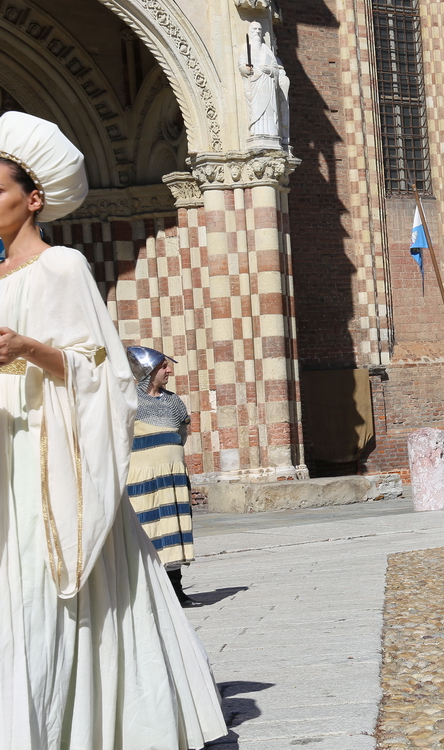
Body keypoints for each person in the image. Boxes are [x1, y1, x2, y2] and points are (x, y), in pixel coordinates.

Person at [0, 111, 226, 747]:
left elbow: (106, 375)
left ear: (33, 198)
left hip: (55, 460)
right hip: (5, 456)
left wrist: (27, 348)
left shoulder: (64, 266)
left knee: (48, 605)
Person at [126, 345, 200, 607]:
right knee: (147, 530)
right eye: (164, 366)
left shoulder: (173, 401)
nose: (169, 370)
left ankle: (176, 591)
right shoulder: (128, 401)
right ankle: (145, 592)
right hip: (141, 478)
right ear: (149, 371)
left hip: (173, 477)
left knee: (173, 530)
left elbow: (182, 434)